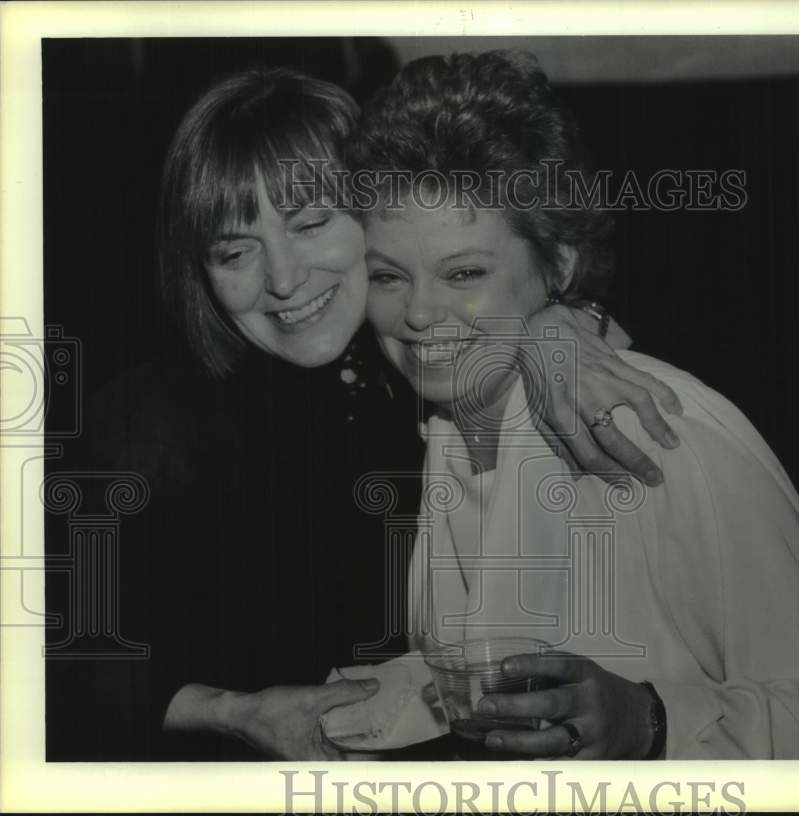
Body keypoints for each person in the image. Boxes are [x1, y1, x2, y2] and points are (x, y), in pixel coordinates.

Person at [45, 66, 683, 761]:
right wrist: (239, 713)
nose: (284, 281)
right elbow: (55, 664)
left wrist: (558, 319)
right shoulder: (149, 430)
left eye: (312, 224)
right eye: (234, 251)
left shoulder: (417, 366)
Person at [354, 50, 799, 759]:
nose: (418, 313)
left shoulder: (662, 433)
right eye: (388, 276)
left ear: (559, 265)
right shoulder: (442, 430)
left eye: (465, 272)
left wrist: (652, 723)